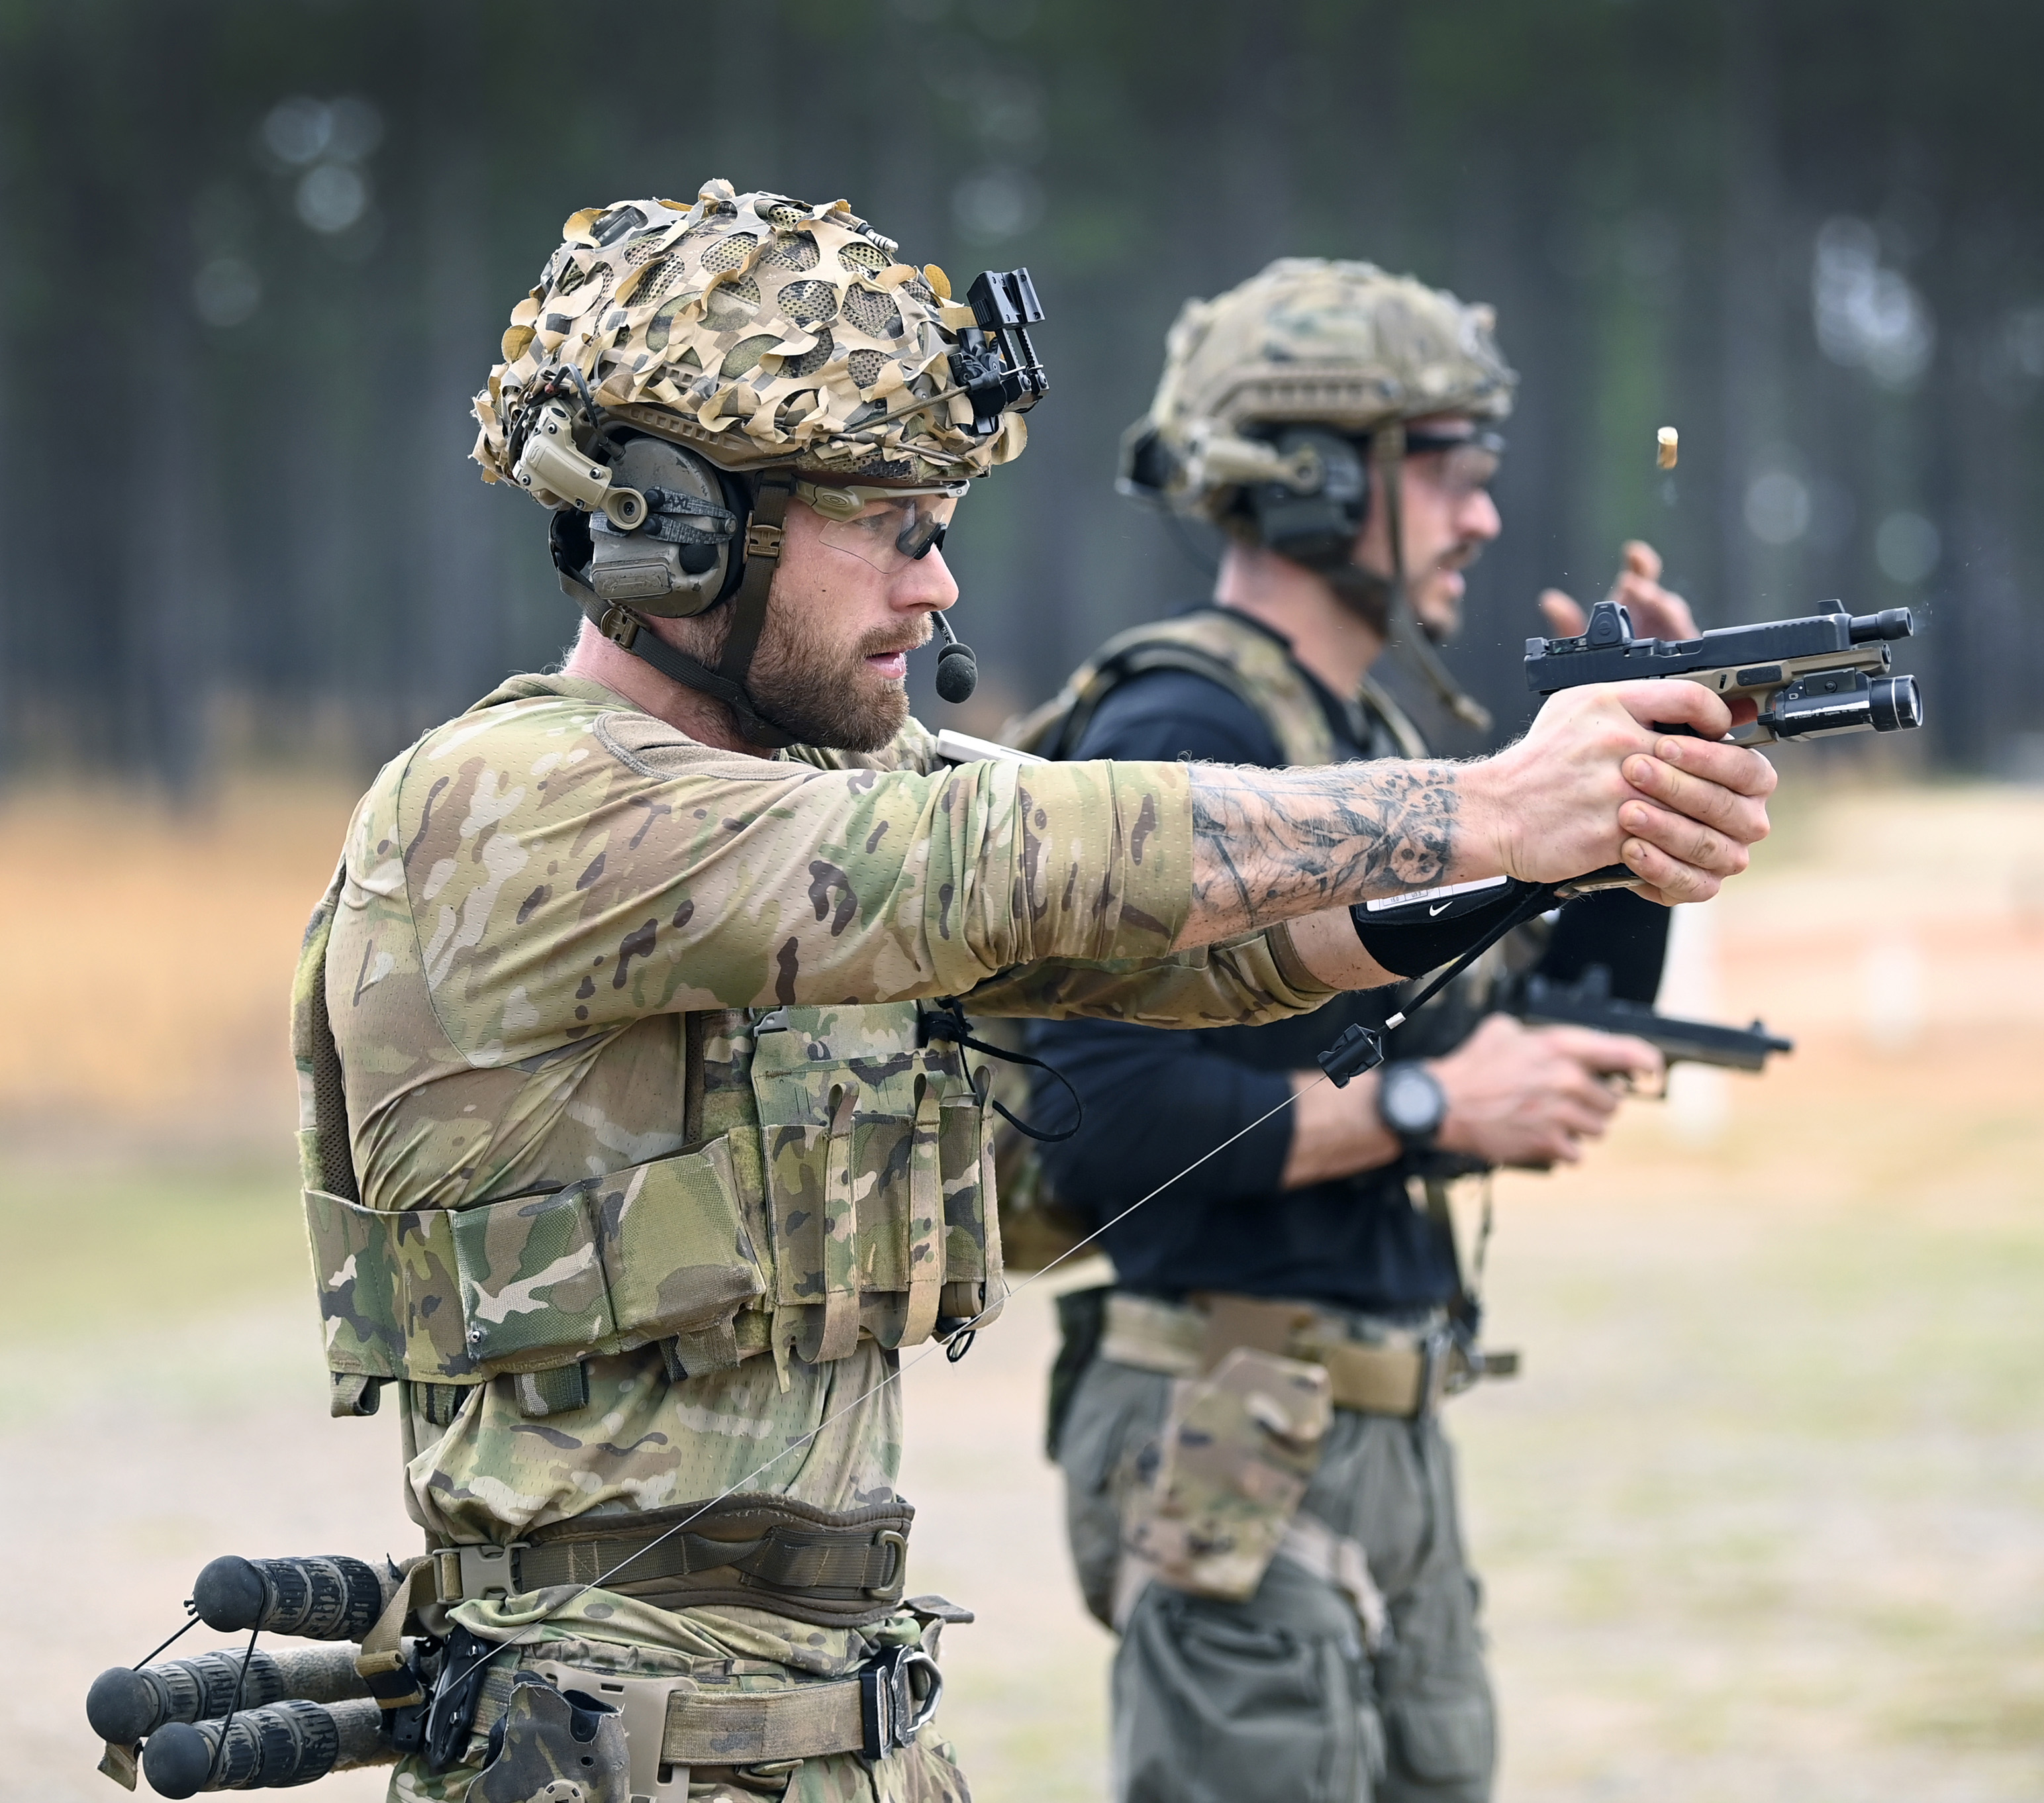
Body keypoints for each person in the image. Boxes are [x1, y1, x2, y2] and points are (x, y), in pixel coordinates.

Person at [291, 192, 1772, 1803]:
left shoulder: (824, 788)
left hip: (831, 1733)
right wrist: (1485, 804)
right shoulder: (515, 807)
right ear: (679, 526)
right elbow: (1008, 852)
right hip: (609, 1755)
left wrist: (1564, 848)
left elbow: (1200, 952)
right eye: (896, 524)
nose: (937, 587)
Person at [1024, 258, 1714, 1803]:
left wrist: (1632, 817)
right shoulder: (1181, 735)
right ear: (1319, 481)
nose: (1481, 515)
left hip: (1377, 1418)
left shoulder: (1373, 744)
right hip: (1230, 1417)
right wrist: (1429, 1114)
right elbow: (1097, 1120)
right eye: (1449, 469)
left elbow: (1518, 1029)